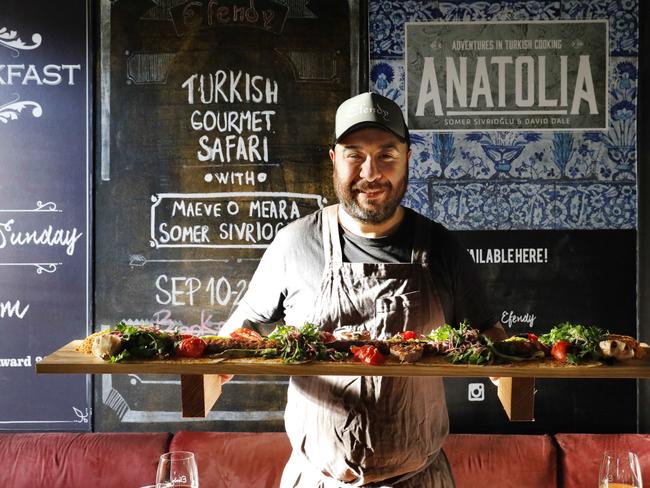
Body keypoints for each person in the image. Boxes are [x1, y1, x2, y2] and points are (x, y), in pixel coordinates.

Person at [220, 92, 506, 487]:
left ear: (408, 156)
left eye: (387, 154)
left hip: (418, 480)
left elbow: (491, 338)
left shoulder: (443, 248)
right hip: (317, 481)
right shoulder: (295, 243)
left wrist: (519, 375)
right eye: (355, 154)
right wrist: (202, 371)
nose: (370, 172)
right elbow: (238, 334)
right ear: (334, 159)